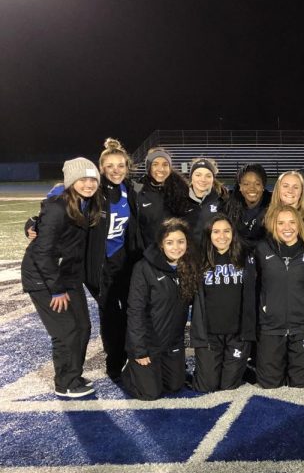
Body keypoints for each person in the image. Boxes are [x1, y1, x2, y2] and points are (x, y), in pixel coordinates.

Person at [21, 158, 102, 398]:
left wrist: (34, 220)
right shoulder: (57, 207)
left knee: (83, 327)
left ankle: (73, 375)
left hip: (68, 273)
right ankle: (65, 383)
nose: (88, 184)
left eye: (92, 179)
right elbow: (42, 253)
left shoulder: (88, 203)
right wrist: (56, 289)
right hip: (43, 277)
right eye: (82, 179)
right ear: (71, 181)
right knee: (66, 330)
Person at [123, 218, 201, 400]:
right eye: (170, 242)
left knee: (175, 386)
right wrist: (139, 350)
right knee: (150, 393)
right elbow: (135, 311)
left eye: (181, 242)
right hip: (149, 343)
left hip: (173, 342)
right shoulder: (143, 268)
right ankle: (130, 369)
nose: (176, 247)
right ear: (160, 244)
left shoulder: (188, 265)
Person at [86, 139, 144, 380]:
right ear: (102, 168)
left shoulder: (129, 189)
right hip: (102, 265)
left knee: (132, 310)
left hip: (126, 261)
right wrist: (35, 222)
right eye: (110, 166)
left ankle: (134, 354)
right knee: (110, 315)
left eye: (120, 165)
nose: (116, 170)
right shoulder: (93, 192)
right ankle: (114, 361)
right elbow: (62, 200)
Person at [254, 205, 304, 388]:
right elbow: (255, 287)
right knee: (269, 385)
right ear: (272, 225)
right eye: (281, 223)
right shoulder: (261, 249)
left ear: (299, 225)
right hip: (271, 328)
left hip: (303, 327)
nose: (287, 227)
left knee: (301, 386)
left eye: (292, 222)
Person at [190, 214, 256, 392]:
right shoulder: (198, 259)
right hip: (209, 335)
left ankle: (242, 365)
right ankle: (204, 368)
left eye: (227, 231)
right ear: (208, 234)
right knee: (207, 387)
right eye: (216, 231)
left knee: (229, 387)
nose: (222, 236)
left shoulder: (246, 256)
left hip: (237, 335)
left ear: (233, 233)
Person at [133, 147, 190, 250]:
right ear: (148, 167)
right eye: (155, 164)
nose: (161, 169)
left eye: (165, 164)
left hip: (176, 253)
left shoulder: (182, 190)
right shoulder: (138, 191)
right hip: (149, 255)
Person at [225, 163, 271, 251]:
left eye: (257, 184)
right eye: (246, 184)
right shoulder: (229, 206)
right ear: (240, 187)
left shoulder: (273, 206)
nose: (252, 188)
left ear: (263, 186)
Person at [183, 157, 228, 244]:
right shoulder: (180, 200)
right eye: (198, 175)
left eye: (208, 176)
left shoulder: (222, 200)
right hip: (188, 254)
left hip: (212, 253)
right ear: (191, 176)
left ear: (213, 179)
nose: (203, 179)